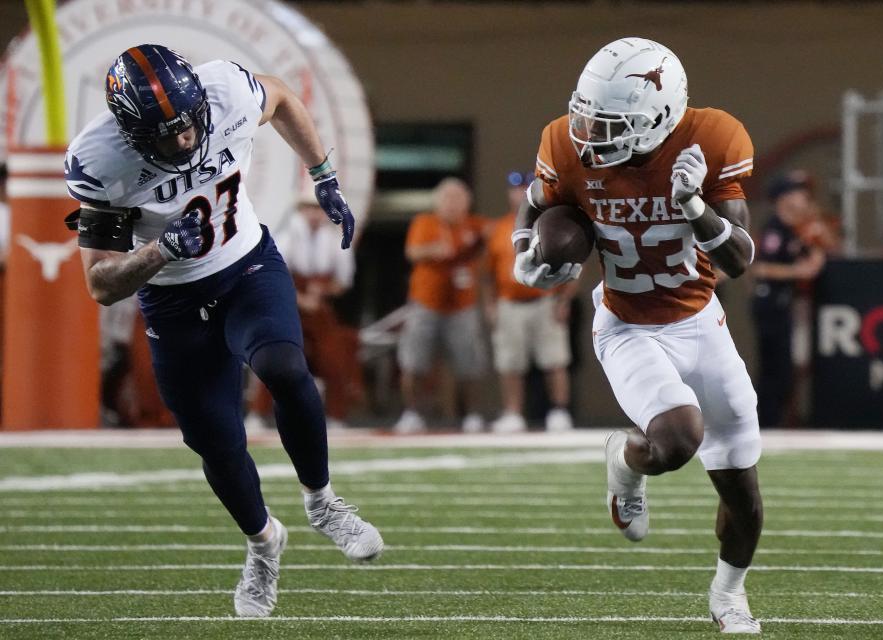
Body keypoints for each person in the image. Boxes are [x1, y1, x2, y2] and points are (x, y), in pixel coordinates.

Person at [64, 44, 382, 618]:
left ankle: (323, 502)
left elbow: (281, 97)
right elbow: (100, 285)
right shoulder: (100, 162)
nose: (184, 141)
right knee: (216, 440)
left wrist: (323, 175)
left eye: (190, 125)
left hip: (246, 265)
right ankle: (263, 545)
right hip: (171, 301)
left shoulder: (226, 92)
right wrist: (161, 250)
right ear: (132, 133)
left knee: (286, 369)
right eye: (166, 135)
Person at [513, 38, 763, 633]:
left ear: (663, 116)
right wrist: (524, 252)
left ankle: (728, 596)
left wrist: (695, 206)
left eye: (613, 123)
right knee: (678, 439)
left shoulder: (714, 138)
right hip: (626, 323)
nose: (592, 135)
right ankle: (628, 463)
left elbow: (739, 258)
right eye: (588, 115)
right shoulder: (563, 144)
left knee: (744, 497)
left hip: (702, 323)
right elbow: (534, 206)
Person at [246, 194, 363, 431]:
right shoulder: (285, 237)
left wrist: (322, 292)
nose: (314, 214)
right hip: (287, 309)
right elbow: (274, 278)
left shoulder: (334, 239)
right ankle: (258, 413)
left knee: (335, 356)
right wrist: (300, 299)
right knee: (276, 355)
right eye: (310, 208)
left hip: (320, 312)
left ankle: (336, 416)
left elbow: (343, 282)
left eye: (319, 209)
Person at [394, 177, 489, 434]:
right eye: (448, 199)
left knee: (469, 363)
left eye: (458, 199)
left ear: (467, 203)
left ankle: (471, 414)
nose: (453, 204)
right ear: (438, 202)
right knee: (413, 361)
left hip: (462, 305)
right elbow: (412, 252)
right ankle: (412, 413)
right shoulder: (425, 223)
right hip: (425, 303)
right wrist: (434, 250)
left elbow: (496, 237)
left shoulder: (475, 225)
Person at [485, 170, 574, 433]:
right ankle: (513, 413)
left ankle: (559, 411)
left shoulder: (549, 223)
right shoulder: (498, 228)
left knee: (554, 360)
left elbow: (573, 263)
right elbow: (487, 274)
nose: (519, 194)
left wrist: (564, 300)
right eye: (515, 189)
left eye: (524, 188)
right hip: (510, 303)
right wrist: (490, 305)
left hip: (544, 300)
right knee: (510, 362)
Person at [751, 172, 826, 428]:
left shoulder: (796, 230)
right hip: (770, 303)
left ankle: (773, 422)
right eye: (796, 193)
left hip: (785, 304)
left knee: (784, 371)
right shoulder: (775, 229)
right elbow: (760, 268)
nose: (803, 198)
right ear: (783, 198)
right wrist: (797, 271)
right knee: (775, 370)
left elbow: (817, 258)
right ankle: (765, 424)